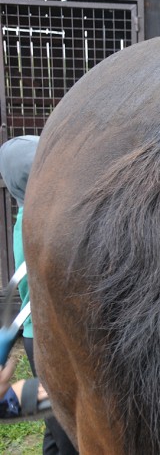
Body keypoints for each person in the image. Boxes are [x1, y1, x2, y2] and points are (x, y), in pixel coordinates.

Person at [0, 136, 79, 453]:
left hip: (39, 338)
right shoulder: (43, 227)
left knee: (53, 425)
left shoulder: (26, 221)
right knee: (67, 430)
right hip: (51, 339)